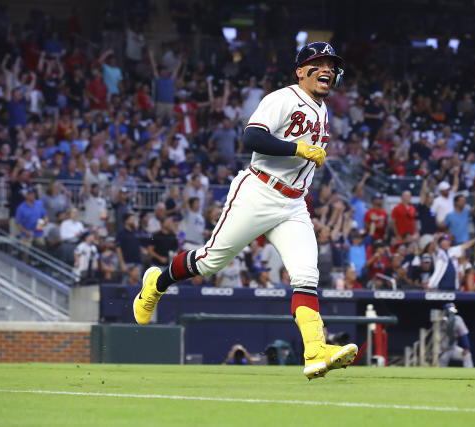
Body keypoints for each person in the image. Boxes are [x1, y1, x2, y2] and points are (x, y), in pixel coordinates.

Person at [133, 42, 357, 379]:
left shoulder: (324, 111)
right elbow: (251, 138)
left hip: (293, 202)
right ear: (300, 70)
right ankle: (157, 281)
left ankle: (314, 351)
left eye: (331, 64)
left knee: (306, 275)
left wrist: (304, 193)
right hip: (259, 191)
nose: (326, 69)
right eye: (318, 62)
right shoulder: (282, 98)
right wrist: (296, 147)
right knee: (210, 262)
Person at [438, 303, 473, 368]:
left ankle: (469, 374)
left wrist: (466, 348)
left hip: (452, 348)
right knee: (441, 364)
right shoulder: (439, 320)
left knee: (467, 355)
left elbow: (464, 335)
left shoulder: (458, 319)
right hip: (441, 349)